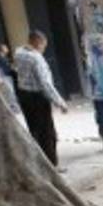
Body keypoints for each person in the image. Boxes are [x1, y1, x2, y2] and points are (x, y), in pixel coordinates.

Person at [13, 30, 68, 166]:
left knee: (34, 131)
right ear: (38, 42)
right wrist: (59, 102)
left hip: (24, 96)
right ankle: (51, 164)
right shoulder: (36, 58)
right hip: (37, 98)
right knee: (48, 134)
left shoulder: (18, 53)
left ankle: (38, 163)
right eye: (43, 46)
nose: (43, 49)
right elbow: (45, 83)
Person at [0, 42, 21, 115]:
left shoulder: (4, 57)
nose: (7, 49)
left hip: (8, 77)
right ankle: (14, 108)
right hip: (4, 77)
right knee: (10, 93)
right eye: (5, 47)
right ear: (2, 49)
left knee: (12, 92)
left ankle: (16, 107)